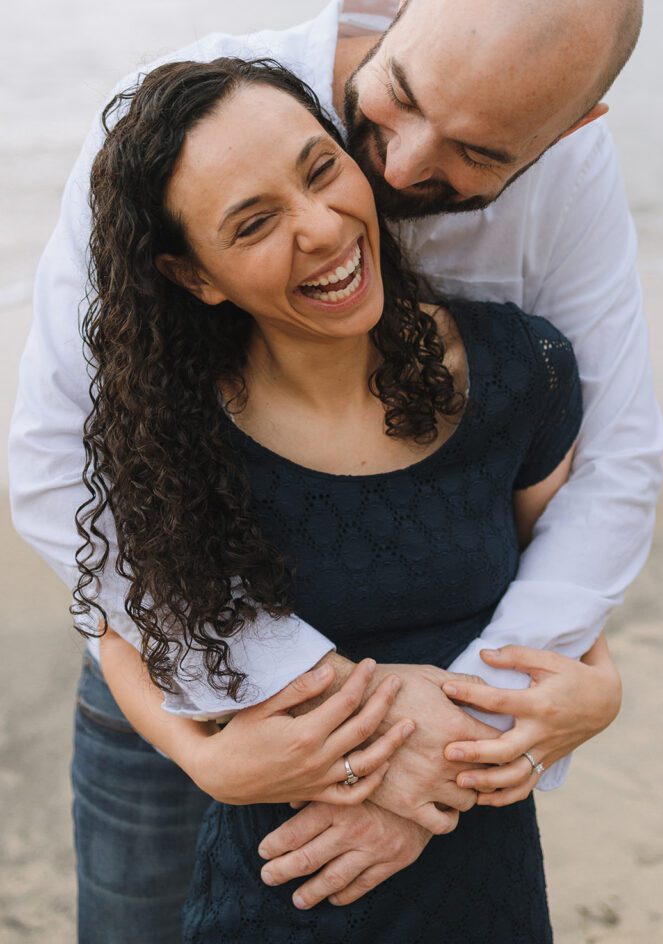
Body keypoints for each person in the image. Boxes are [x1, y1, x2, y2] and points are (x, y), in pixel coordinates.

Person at [7, 0, 662, 938]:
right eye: (400, 99)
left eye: (477, 155)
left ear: (574, 125)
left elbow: (607, 462)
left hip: (453, 705)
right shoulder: (173, 135)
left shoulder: (567, 182)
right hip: (193, 690)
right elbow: (57, 469)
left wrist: (469, 727)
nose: (400, 163)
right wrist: (312, 720)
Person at [86, 53, 594, 942]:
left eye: (321, 169)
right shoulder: (174, 434)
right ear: (194, 276)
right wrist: (200, 760)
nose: (320, 229)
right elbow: (126, 637)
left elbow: (564, 596)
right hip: (281, 888)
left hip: (481, 887)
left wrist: (601, 690)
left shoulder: (522, 372)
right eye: (253, 224)